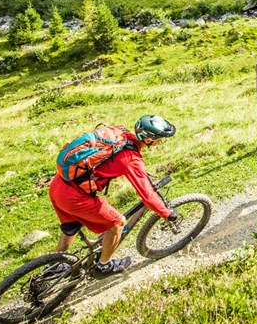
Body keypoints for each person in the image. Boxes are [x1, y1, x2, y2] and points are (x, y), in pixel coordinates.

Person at [47, 115, 177, 275]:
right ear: (149, 140)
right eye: (160, 138)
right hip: (75, 198)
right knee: (117, 222)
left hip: (58, 186)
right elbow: (147, 196)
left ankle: (53, 266)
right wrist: (166, 213)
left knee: (70, 228)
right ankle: (104, 265)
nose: (161, 141)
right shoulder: (131, 159)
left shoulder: (120, 134)